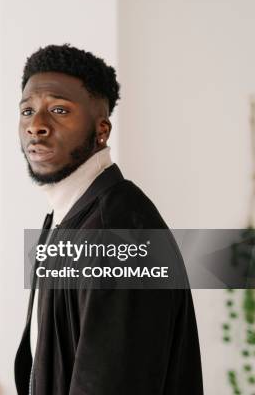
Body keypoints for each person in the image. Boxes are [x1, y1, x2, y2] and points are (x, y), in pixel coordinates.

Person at [14, 44, 203, 395]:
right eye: (27, 111)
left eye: (58, 109)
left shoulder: (119, 232)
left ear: (101, 130)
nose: (36, 126)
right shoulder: (67, 218)